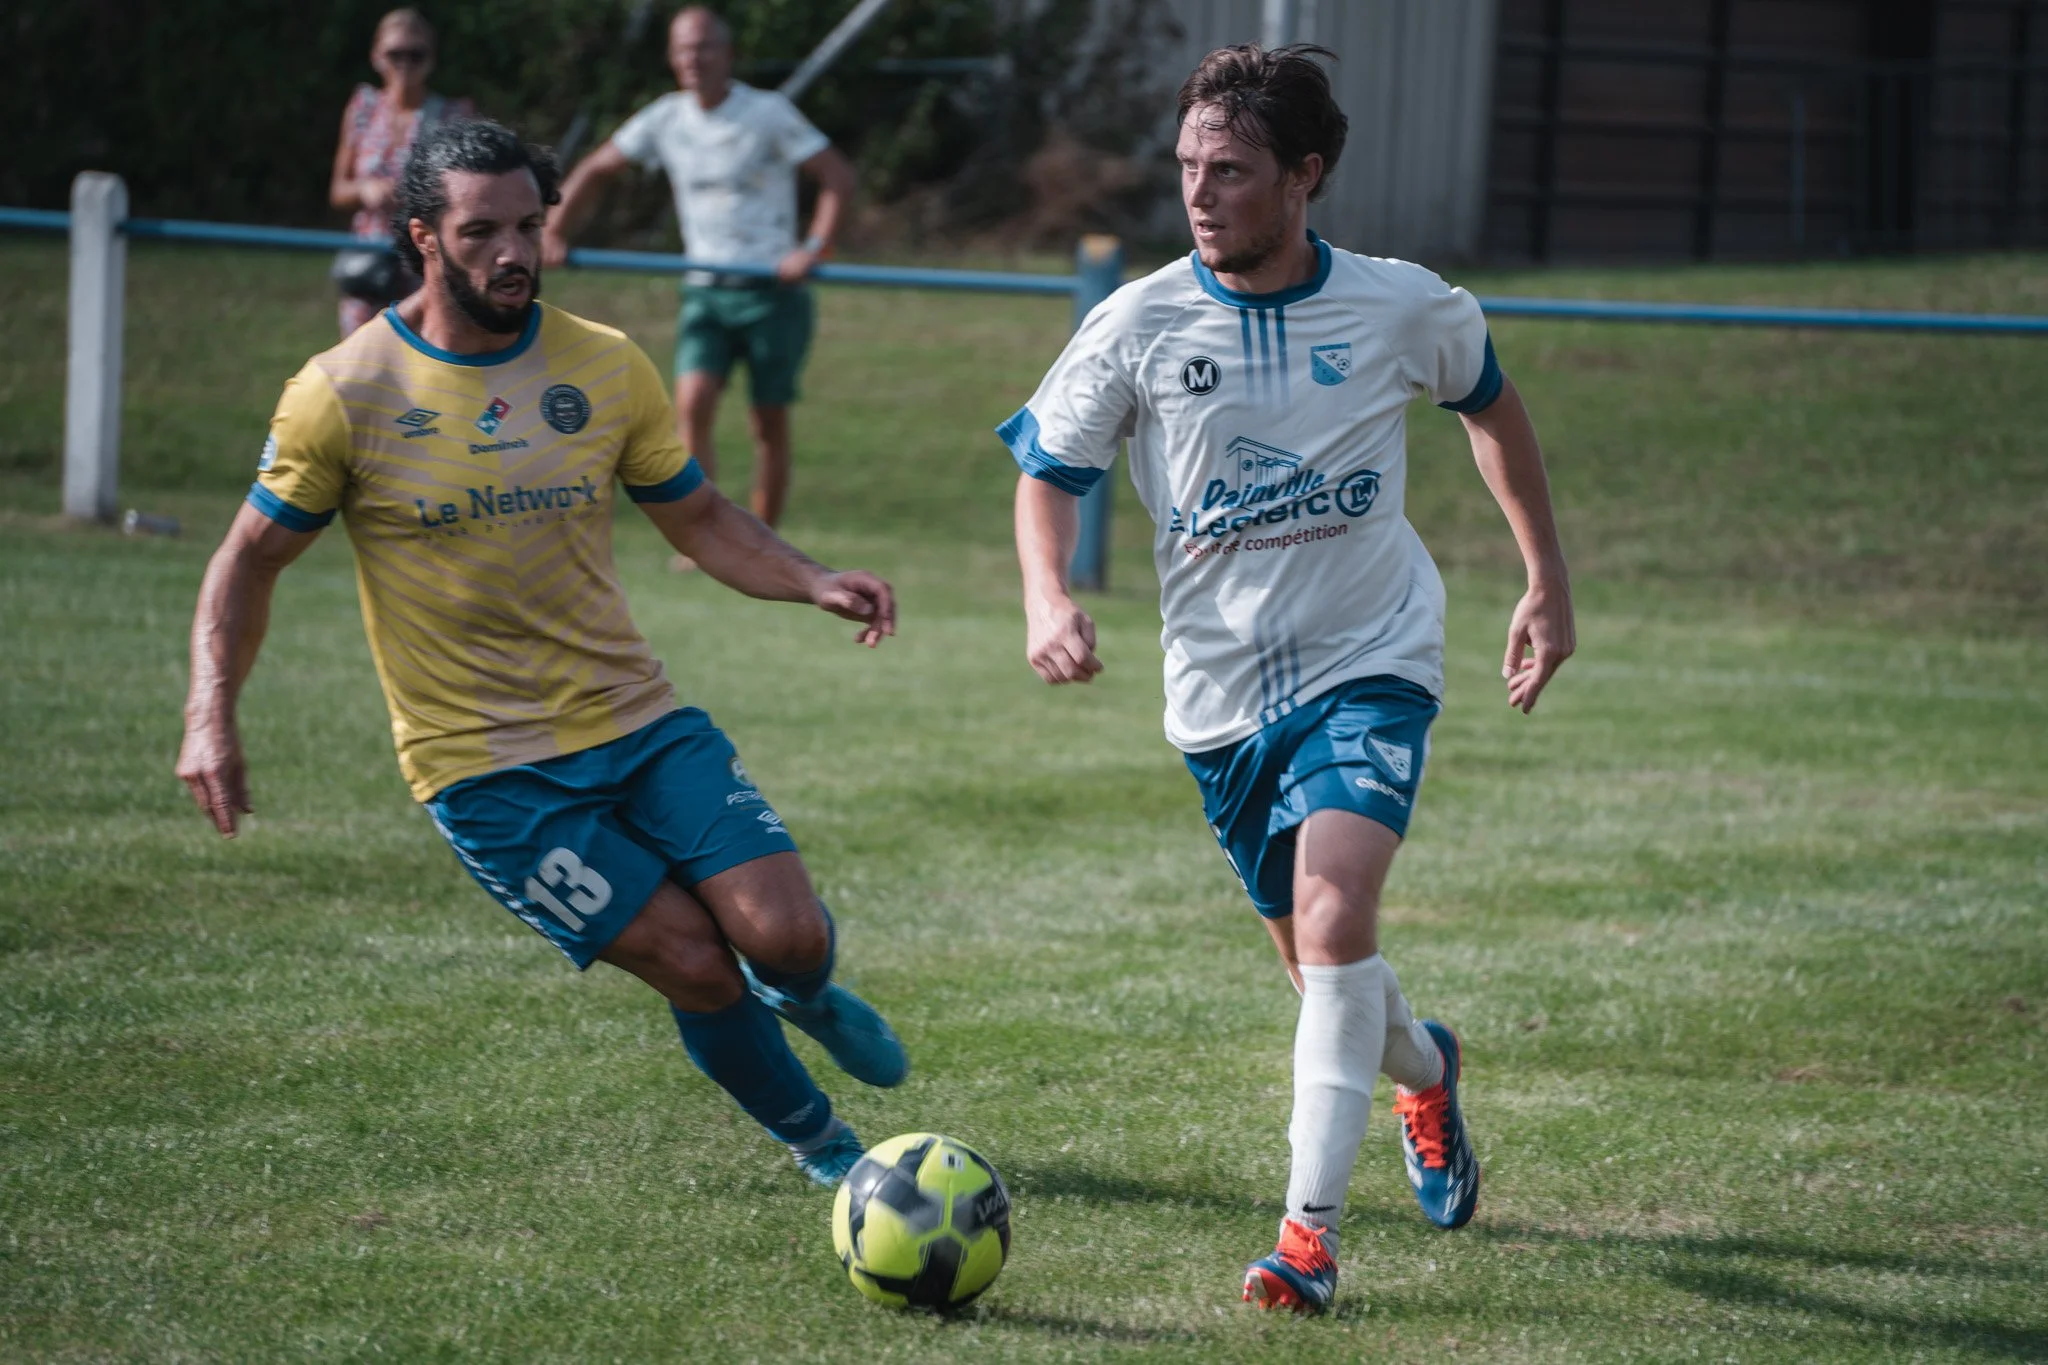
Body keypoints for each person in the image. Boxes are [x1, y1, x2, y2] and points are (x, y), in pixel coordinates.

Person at [178, 118, 907, 1190]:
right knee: (697, 965)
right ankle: (824, 1147)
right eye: (482, 232)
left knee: (784, 936)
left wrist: (806, 577)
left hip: (639, 720)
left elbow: (698, 517)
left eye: (529, 224)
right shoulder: (344, 391)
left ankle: (802, 994)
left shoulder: (602, 365)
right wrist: (211, 711)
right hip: (488, 772)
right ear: (423, 237)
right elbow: (247, 561)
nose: (513, 252)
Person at [1001, 45, 1575, 1311]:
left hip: (1371, 661)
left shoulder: (1398, 307)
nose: (1201, 194)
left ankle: (1304, 1242)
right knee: (1327, 970)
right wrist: (1049, 594)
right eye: (1190, 168)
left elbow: (1490, 405)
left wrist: (1545, 577)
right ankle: (1425, 1075)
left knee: (1332, 923)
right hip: (1216, 705)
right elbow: (1047, 472)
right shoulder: (1140, 321)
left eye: (1234, 171)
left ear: (1305, 177)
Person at [543, 6, 856, 536]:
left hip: (770, 291)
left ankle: (765, 538)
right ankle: (707, 536)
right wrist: (552, 230)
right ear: (671, 57)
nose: (695, 58)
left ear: (728, 55)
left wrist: (814, 248)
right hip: (705, 290)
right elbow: (596, 167)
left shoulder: (768, 112)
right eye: (684, 48)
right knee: (691, 403)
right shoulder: (665, 118)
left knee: (768, 423)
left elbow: (838, 178)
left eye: (705, 46)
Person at [328, 9, 474, 337]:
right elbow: (338, 191)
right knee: (361, 360)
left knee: (418, 360)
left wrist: (416, 195)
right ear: (377, 57)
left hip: (423, 259)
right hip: (369, 258)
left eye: (416, 55)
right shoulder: (363, 108)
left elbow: (467, 196)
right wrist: (365, 189)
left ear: (431, 59)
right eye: (395, 54)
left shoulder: (451, 116)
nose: (405, 65)